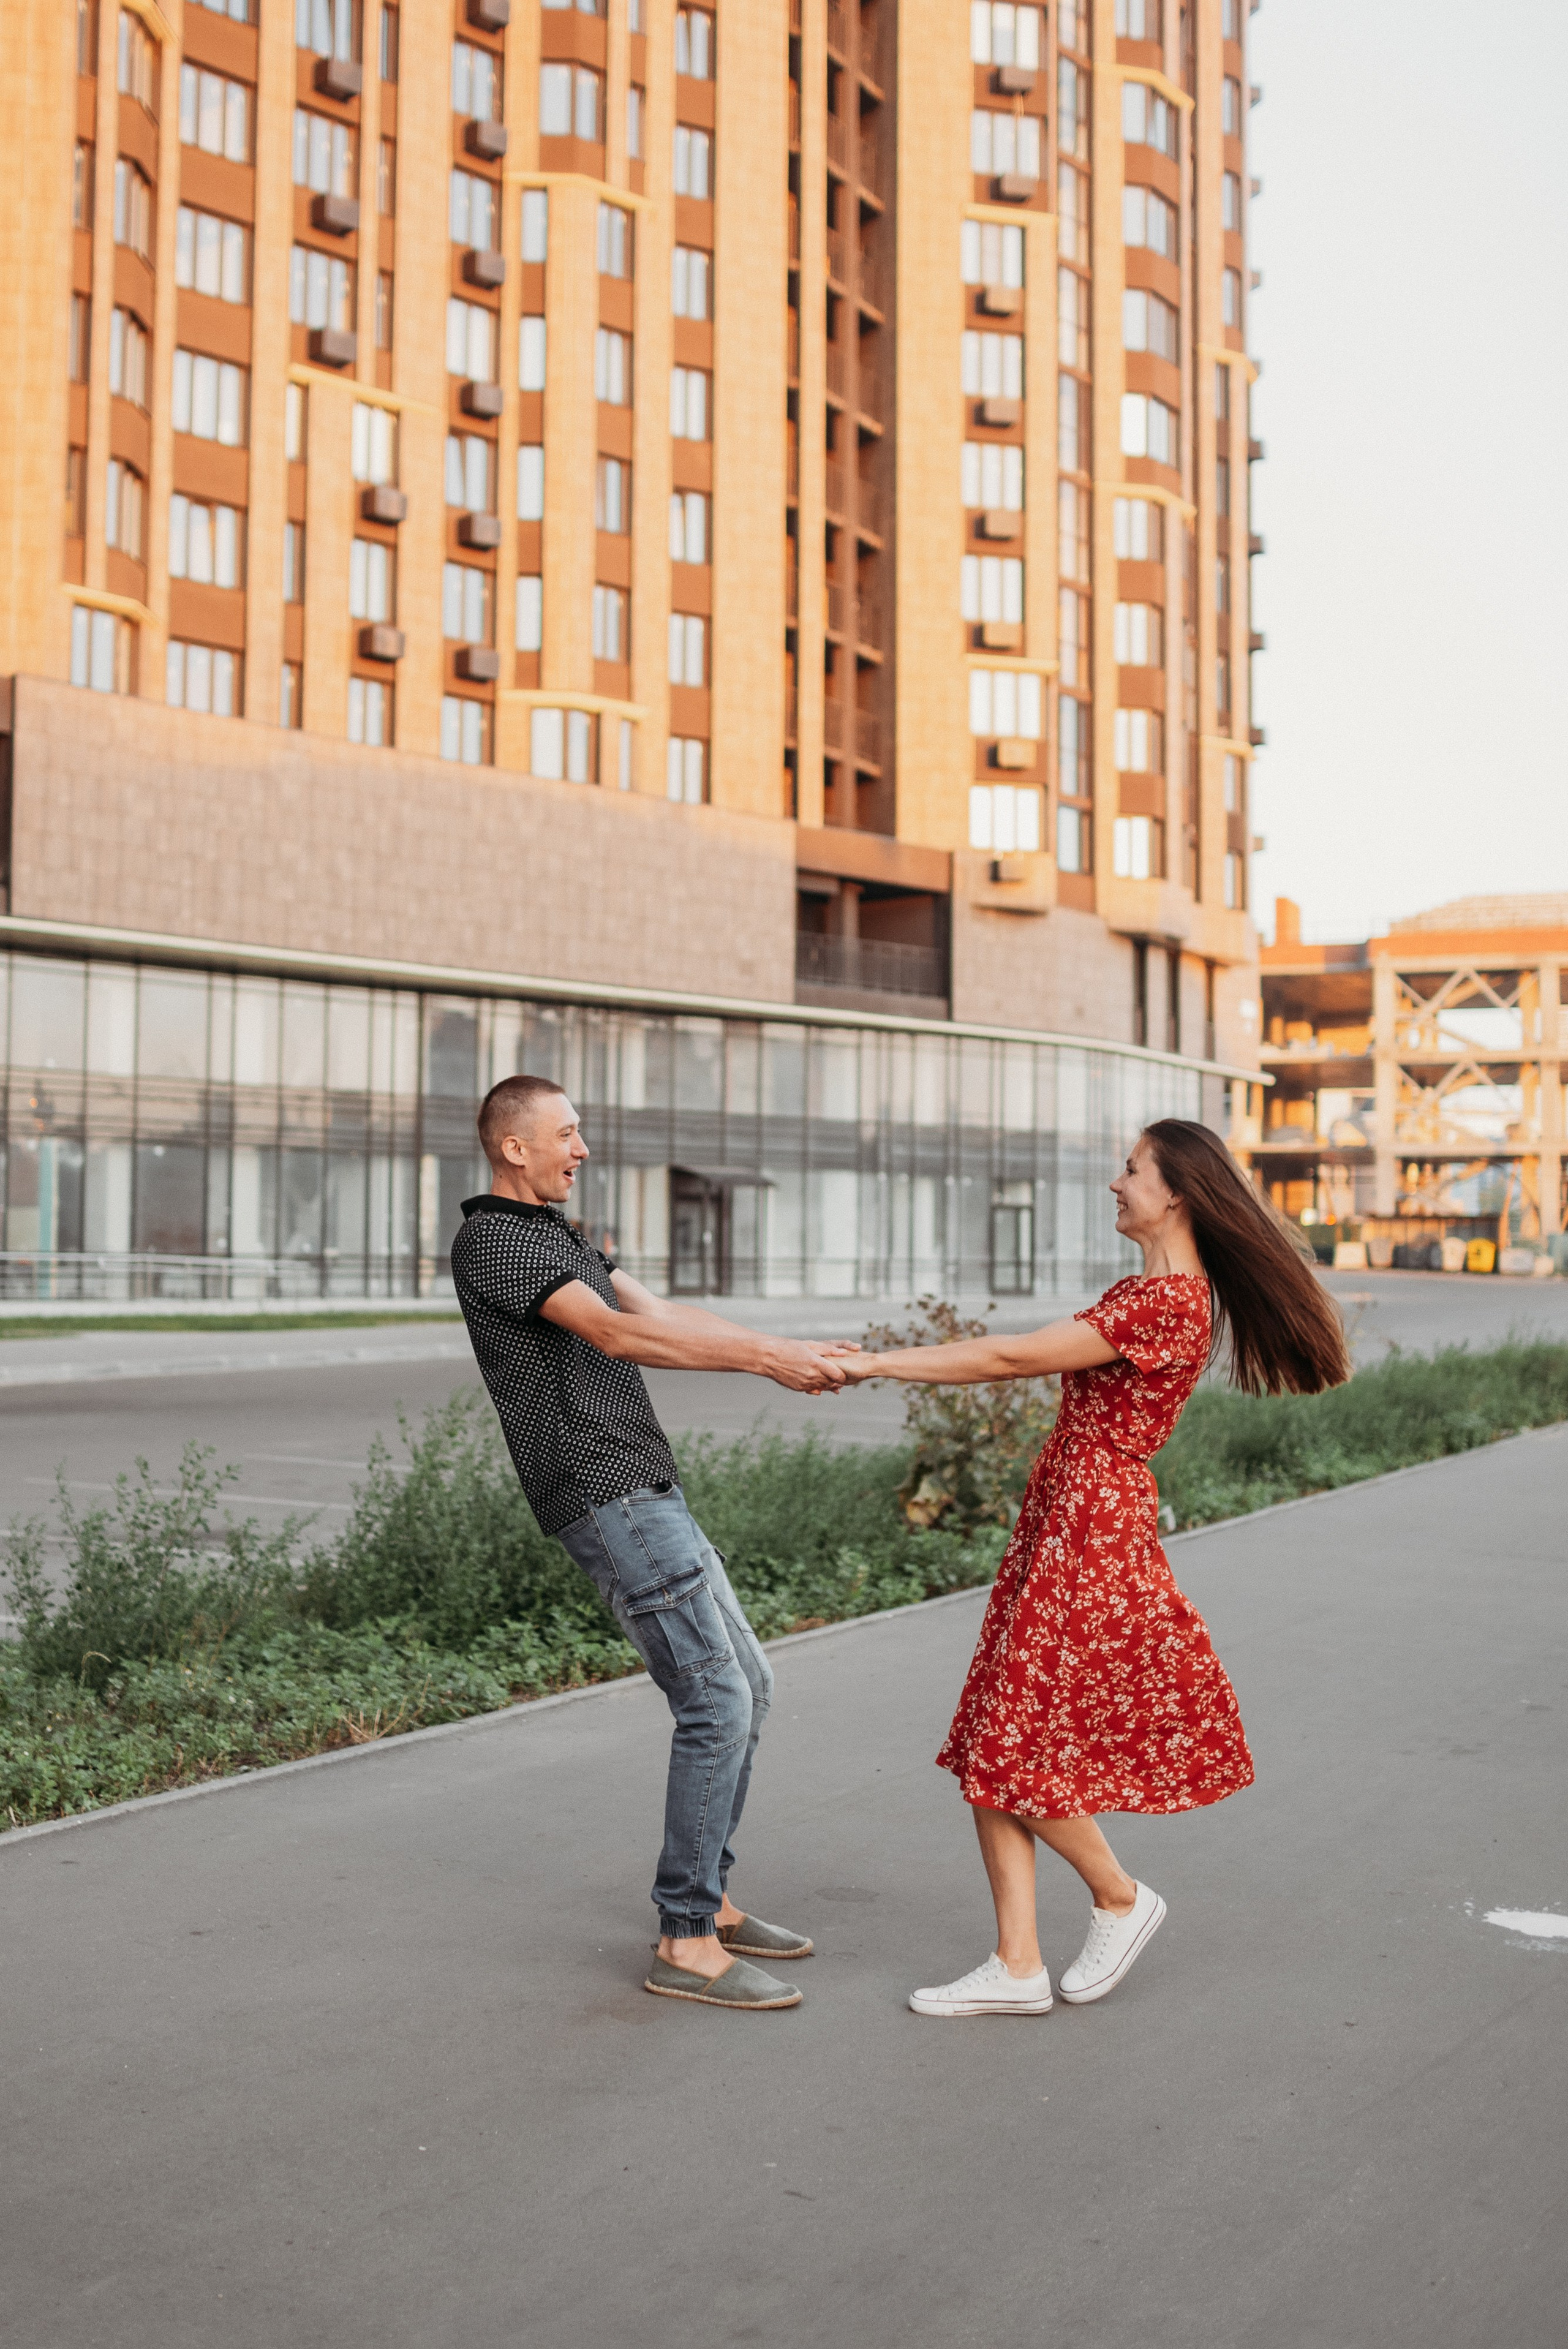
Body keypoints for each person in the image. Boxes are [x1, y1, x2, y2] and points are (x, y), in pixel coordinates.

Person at [838, 1118, 1350, 2018]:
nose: (1116, 1184)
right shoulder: (1150, 1294)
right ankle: (1018, 1965)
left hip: (1090, 1529)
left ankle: (1118, 1895)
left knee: (1012, 1744)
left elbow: (1008, 1357)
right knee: (996, 1739)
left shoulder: (1166, 1304)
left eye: (1130, 1170)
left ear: (1177, 1194)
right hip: (1071, 1514)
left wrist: (873, 1362)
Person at [450, 1073, 854, 2013]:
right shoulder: (495, 1239)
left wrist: (797, 1348)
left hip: (645, 1486)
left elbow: (663, 1316)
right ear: (515, 1147)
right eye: (567, 1132)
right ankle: (684, 1938)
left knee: (747, 1683)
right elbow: (614, 1336)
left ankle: (705, 1901)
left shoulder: (562, 1237)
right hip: (604, 1492)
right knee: (713, 1699)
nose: (581, 1148)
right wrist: (767, 1361)